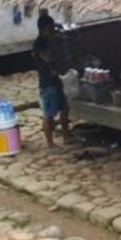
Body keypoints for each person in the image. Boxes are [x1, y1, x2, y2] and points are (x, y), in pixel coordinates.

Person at [32, 14, 73, 151]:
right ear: (43, 29)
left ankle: (67, 135)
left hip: (56, 80)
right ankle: (50, 143)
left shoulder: (51, 40)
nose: (52, 31)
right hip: (47, 82)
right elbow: (47, 58)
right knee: (49, 114)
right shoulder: (40, 43)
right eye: (49, 29)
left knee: (64, 108)